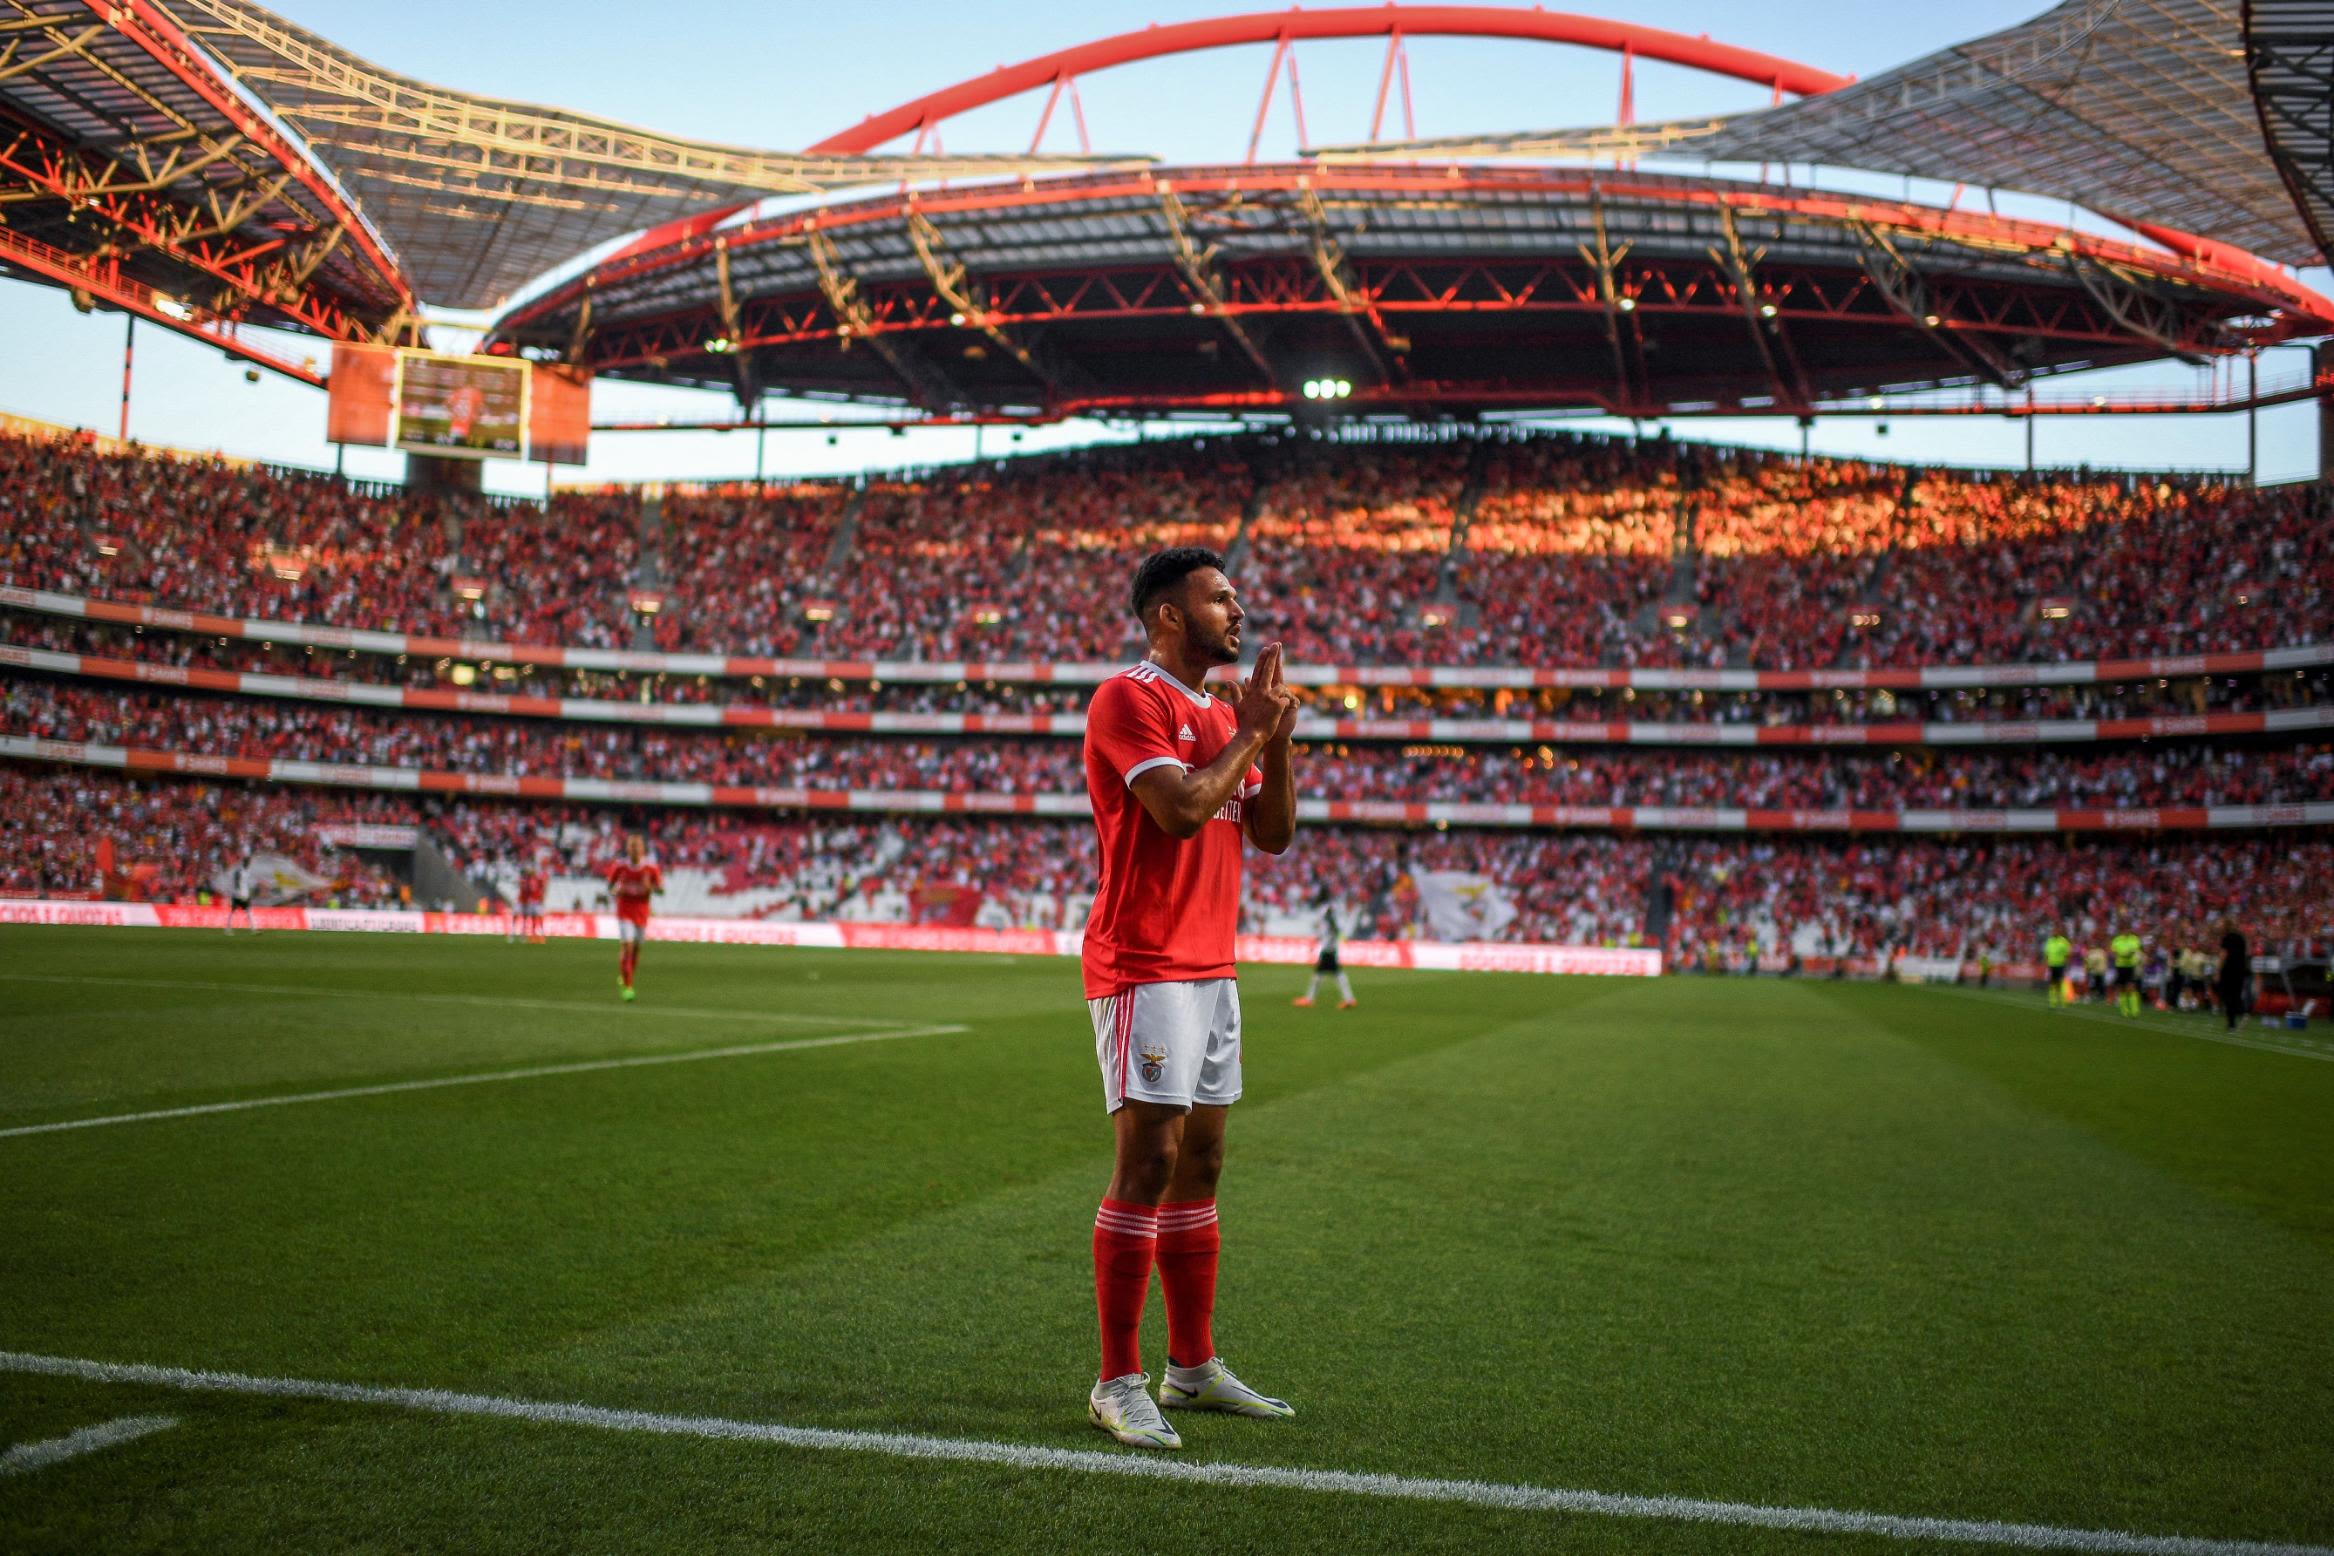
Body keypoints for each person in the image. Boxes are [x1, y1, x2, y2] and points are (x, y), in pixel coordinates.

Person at [1079, 546, 1298, 1451]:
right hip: (1145, 959)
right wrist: (1249, 734)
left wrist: (1272, 741)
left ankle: (1193, 1369)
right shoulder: (1131, 697)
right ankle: (1116, 1380)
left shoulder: (1217, 711)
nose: (1238, 612)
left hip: (1212, 964)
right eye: (1221, 598)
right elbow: (1177, 811)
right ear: (1169, 614)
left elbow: (1274, 833)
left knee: (1202, 1164)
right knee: (1149, 1162)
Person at [599, 835, 664, 1001]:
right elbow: (610, 887)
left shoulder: (651, 868)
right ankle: (628, 987)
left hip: (642, 912)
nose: (635, 849)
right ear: (628, 848)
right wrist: (616, 891)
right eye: (631, 846)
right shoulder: (620, 867)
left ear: (642, 849)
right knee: (627, 946)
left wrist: (652, 888)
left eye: (638, 846)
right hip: (624, 911)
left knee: (636, 949)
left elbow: (661, 890)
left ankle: (626, 974)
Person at [1292, 898, 1356, 1009]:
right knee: (1334, 975)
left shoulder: (1331, 923)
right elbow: (1331, 933)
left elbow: (1332, 933)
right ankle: (1349, 999)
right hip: (1331, 950)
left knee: (1321, 975)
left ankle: (1309, 999)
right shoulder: (1331, 923)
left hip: (1328, 951)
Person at [2216, 927, 2252, 1032]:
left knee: (2226, 996)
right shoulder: (2241, 938)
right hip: (2240, 970)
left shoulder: (2226, 938)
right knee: (2236, 995)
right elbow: (2245, 954)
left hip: (2228, 970)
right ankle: (2242, 1013)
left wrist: (2218, 970)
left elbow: (2223, 954)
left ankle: (2232, 1023)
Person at [2109, 928, 2143, 1017]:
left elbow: (2133, 951)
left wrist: (2123, 954)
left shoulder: (2134, 939)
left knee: (2131, 987)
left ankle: (2135, 1010)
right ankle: (2124, 1011)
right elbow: (2113, 952)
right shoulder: (2117, 940)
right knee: (2122, 989)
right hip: (2120, 966)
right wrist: (2124, 954)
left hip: (2130, 966)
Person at [223, 853, 259, 934]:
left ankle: (253, 929)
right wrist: (238, 891)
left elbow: (247, 883)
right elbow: (236, 882)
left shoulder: (247, 871)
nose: (249, 863)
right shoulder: (240, 871)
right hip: (238, 894)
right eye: (249, 862)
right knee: (235, 911)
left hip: (244, 894)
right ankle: (252, 929)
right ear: (245, 862)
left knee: (246, 911)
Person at [2043, 929, 2071, 1006]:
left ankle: (2063, 1000)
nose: (2054, 932)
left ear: (2059, 932)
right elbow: (2046, 953)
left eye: (2056, 931)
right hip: (2051, 965)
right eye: (2053, 931)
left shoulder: (2063, 941)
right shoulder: (2050, 941)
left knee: (2061, 983)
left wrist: (2066, 962)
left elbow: (2067, 953)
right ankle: (2053, 1001)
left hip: (2060, 965)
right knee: (2052, 983)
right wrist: (2046, 962)